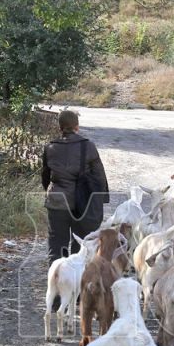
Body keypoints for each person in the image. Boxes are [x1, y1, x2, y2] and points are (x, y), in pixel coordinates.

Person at [41, 110, 109, 263]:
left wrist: (49, 192)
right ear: (77, 127)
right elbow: (99, 177)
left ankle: (56, 278)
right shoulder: (88, 146)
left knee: (57, 244)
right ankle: (76, 280)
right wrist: (100, 200)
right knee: (80, 244)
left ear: (60, 127)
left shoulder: (50, 147)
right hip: (82, 203)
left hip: (57, 202)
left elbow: (45, 176)